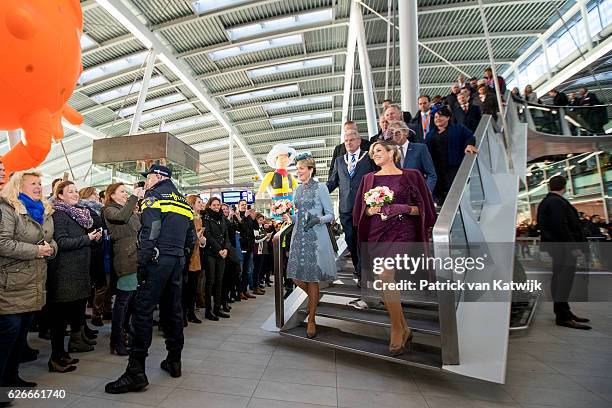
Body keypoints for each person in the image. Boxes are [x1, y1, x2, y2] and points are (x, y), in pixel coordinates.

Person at [105, 164, 196, 394]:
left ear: (157, 177)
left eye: (148, 178)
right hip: (176, 262)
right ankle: (174, 361)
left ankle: (136, 372)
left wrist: (143, 261)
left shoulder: (153, 196)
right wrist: (180, 257)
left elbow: (152, 230)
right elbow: (191, 237)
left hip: (157, 261)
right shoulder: (183, 202)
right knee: (173, 311)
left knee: (142, 312)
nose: (145, 182)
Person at [353, 141, 436, 355]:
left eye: (378, 150)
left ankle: (397, 329)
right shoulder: (368, 179)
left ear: (392, 152)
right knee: (382, 279)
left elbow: (425, 210)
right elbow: (362, 212)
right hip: (377, 233)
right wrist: (373, 211)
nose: (374, 155)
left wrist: (404, 207)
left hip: (402, 231)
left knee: (385, 274)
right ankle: (404, 326)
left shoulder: (411, 175)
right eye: (372, 153)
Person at [0, 171, 57, 392]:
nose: (39, 186)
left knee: (21, 333)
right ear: (18, 187)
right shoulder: (8, 209)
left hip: (34, 281)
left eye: (40, 183)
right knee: (9, 331)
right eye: (33, 183)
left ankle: (11, 376)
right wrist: (36, 250)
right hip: (11, 282)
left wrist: (51, 249)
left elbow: (51, 241)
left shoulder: (44, 210)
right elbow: (2, 243)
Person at [48, 181, 102, 372]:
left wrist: (93, 239)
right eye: (70, 191)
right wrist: (86, 239)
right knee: (59, 320)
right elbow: (61, 242)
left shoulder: (79, 213)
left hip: (78, 271)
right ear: (60, 196)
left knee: (68, 316)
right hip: (65, 273)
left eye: (76, 190)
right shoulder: (60, 214)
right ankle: (56, 357)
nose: (75, 194)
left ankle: (62, 354)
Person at [287, 153, 336, 339]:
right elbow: (297, 215)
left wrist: (318, 219)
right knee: (295, 277)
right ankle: (314, 301)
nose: (298, 172)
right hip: (299, 235)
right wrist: (288, 216)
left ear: (310, 170)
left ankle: (312, 319)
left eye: (301, 168)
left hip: (316, 236)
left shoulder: (321, 187)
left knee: (312, 279)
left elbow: (330, 214)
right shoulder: (297, 190)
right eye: (297, 168)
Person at [537, 175, 591, 330]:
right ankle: (562, 315)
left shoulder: (548, 201)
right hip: (563, 248)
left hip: (558, 247)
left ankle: (564, 311)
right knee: (563, 281)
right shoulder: (555, 202)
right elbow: (561, 226)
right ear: (564, 186)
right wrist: (573, 247)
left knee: (560, 279)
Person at [327, 129, 376, 281]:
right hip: (346, 209)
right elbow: (332, 182)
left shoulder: (368, 157)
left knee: (364, 241)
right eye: (346, 140)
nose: (348, 142)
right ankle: (359, 269)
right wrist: (317, 192)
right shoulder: (339, 161)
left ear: (359, 141)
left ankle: (365, 273)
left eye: (352, 140)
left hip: (365, 208)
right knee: (350, 240)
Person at [102, 183, 142, 356]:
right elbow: (122, 217)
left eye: (126, 192)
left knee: (131, 301)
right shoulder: (109, 210)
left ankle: (126, 334)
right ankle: (116, 339)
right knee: (122, 301)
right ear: (111, 196)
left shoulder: (129, 210)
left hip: (136, 257)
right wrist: (133, 198)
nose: (126, 194)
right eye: (122, 192)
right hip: (125, 258)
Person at [426, 106, 478, 204]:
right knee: (438, 196)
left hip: (453, 168)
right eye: (435, 117)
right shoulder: (430, 134)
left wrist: (469, 145)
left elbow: (470, 136)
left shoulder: (459, 128)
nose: (437, 119)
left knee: (454, 193)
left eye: (441, 116)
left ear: (448, 117)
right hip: (437, 169)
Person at [79, 187, 111, 328]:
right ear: (88, 195)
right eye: (95, 194)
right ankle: (93, 316)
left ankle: (86, 323)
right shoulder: (85, 211)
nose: (98, 197)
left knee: (100, 284)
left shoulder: (99, 210)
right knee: (98, 285)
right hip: (92, 252)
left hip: (99, 250)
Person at [202, 197, 230, 321]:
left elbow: (226, 236)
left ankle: (217, 308)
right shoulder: (206, 217)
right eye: (214, 205)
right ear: (209, 206)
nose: (216, 207)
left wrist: (226, 249)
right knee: (210, 282)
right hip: (211, 253)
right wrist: (219, 249)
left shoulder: (222, 218)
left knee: (220, 281)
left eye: (218, 205)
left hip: (222, 253)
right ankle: (208, 311)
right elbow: (208, 235)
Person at [388, 120, 437, 192]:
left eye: (398, 132)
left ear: (406, 132)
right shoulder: (389, 153)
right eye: (392, 134)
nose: (395, 135)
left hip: (418, 194)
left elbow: (431, 174)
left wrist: (427, 192)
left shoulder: (420, 149)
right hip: (397, 196)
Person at [183, 195, 206, 325]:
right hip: (189, 256)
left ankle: (191, 312)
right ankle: (186, 313)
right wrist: (195, 237)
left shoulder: (199, 219)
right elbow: (188, 237)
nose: (201, 204)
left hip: (196, 255)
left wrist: (202, 241)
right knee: (187, 287)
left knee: (193, 286)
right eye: (198, 202)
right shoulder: (188, 218)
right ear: (192, 203)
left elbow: (199, 238)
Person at [233, 200, 257, 299]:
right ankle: (239, 291)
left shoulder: (248, 216)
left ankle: (244, 290)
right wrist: (243, 217)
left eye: (245, 205)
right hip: (240, 247)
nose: (244, 206)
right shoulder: (236, 216)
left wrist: (252, 217)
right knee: (240, 271)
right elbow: (241, 228)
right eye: (242, 205)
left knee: (248, 271)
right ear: (238, 206)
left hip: (249, 246)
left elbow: (255, 227)